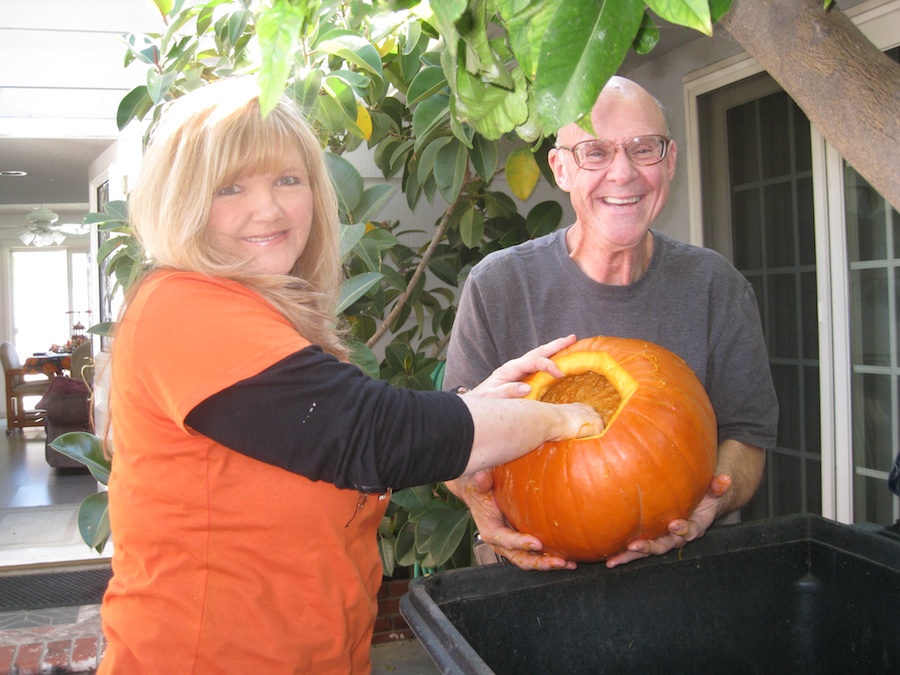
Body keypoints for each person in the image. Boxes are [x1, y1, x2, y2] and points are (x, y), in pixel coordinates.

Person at [97, 77, 602, 674]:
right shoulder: (183, 307)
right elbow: (372, 435)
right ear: (180, 201)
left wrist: (488, 405)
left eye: (289, 179)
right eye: (229, 188)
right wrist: (556, 418)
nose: (270, 209)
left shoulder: (265, 319)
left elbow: (346, 431)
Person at [444, 76, 779, 571]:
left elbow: (748, 436)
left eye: (644, 149)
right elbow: (452, 436)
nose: (622, 174)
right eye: (594, 152)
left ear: (668, 162)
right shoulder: (498, 286)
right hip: (531, 573)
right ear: (560, 168)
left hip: (680, 571)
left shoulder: (717, 287)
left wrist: (710, 502)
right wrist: (480, 504)